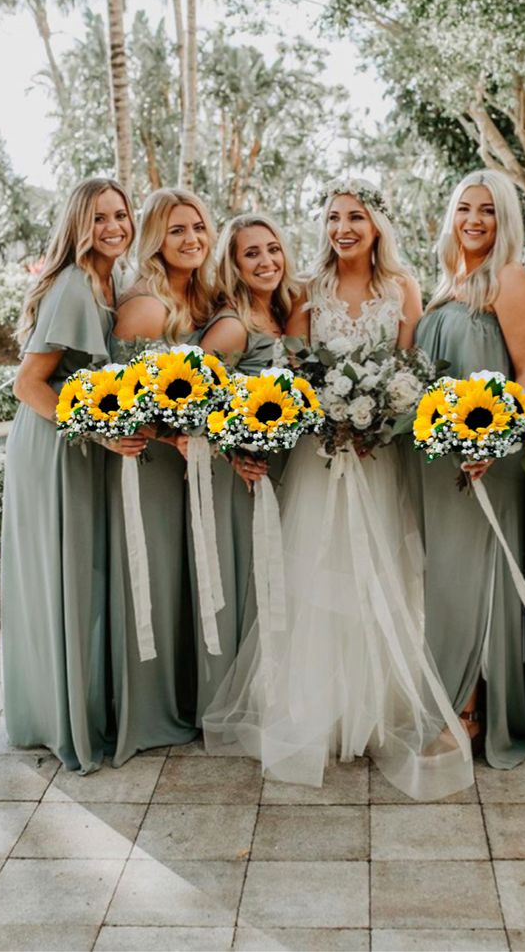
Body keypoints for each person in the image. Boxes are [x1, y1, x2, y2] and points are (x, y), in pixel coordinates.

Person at [204, 178, 474, 800]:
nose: (343, 228)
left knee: (377, 572)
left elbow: (408, 374)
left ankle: (373, 711)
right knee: (316, 573)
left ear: (377, 224)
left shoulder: (403, 290)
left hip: (377, 458)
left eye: (355, 217)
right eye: (333, 218)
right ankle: (315, 713)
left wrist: (377, 418)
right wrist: (328, 417)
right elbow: (296, 369)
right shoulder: (308, 292)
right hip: (318, 459)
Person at [2, 177, 141, 773]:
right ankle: (63, 721)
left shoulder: (111, 283)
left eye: (120, 215)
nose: (113, 227)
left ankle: (82, 707)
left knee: (83, 581)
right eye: (99, 218)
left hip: (81, 440)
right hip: (54, 443)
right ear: (78, 226)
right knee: (64, 579)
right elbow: (27, 382)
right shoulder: (72, 286)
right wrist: (97, 430)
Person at [414, 169, 525, 766]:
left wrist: (498, 438)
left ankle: (469, 711)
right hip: (439, 459)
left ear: (505, 221)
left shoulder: (509, 279)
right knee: (444, 582)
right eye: (465, 208)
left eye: (488, 211)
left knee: (474, 582)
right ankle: (448, 697)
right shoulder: (446, 282)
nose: (474, 220)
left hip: (486, 456)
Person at [107, 186, 218, 764]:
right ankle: (148, 711)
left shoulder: (201, 300)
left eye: (197, 226)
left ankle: (187, 699)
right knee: (149, 578)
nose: (191, 238)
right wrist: (166, 431)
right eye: (176, 230)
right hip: (147, 465)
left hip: (187, 467)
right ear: (155, 238)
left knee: (182, 580)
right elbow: (118, 395)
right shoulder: (147, 305)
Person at [193, 212, 300, 721]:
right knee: (245, 580)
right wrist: (233, 450)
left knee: (274, 580)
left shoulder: (283, 314)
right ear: (233, 265)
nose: (266, 261)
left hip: (283, 469)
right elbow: (194, 397)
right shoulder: (233, 325)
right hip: (244, 473)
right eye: (251, 253)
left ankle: (272, 691)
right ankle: (234, 701)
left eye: (272, 249)